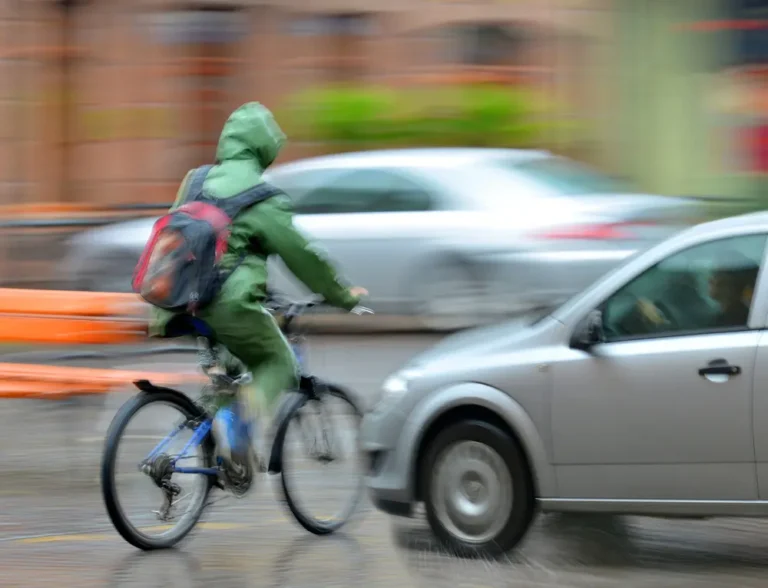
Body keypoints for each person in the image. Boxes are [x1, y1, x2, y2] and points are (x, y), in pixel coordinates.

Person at [149, 102, 366, 466]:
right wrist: (342, 296)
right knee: (279, 363)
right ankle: (243, 427)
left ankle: (222, 451)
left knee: (232, 363)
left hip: (175, 301)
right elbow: (302, 256)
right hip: (227, 303)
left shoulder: (195, 180)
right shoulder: (264, 198)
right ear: (265, 147)